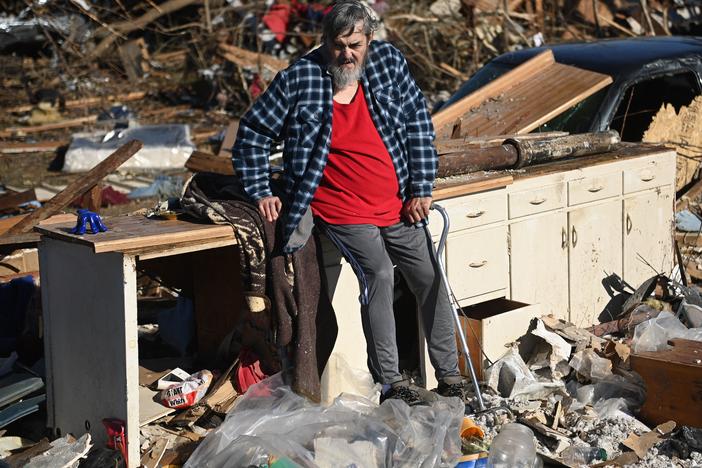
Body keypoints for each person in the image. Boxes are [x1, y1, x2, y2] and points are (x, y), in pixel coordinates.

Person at [232, 0, 465, 405]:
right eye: (337, 45)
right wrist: (260, 190)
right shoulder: (300, 78)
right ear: (324, 42)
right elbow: (251, 134)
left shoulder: (388, 64)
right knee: (378, 274)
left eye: (355, 44)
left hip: (395, 200)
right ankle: (392, 382)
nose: (346, 54)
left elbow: (417, 125)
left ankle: (450, 375)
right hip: (339, 206)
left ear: (369, 39)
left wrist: (421, 187)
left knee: (429, 275)